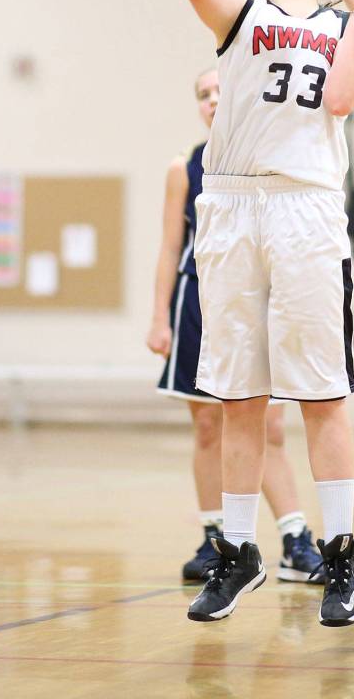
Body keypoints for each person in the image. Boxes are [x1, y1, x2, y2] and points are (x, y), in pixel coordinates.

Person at [157, 0, 354, 627]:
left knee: (320, 394)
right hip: (232, 207)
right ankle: (240, 552)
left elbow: (343, 98)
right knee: (238, 393)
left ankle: (342, 551)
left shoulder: (335, 23)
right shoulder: (241, 17)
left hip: (307, 209)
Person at [146, 66, 324, 585]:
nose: (211, 101)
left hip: (255, 298)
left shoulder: (268, 159)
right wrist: (159, 316)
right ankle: (215, 536)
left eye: (220, 91)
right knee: (206, 425)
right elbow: (168, 248)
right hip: (199, 299)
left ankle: (294, 537)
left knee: (268, 424)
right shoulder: (185, 167)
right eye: (203, 94)